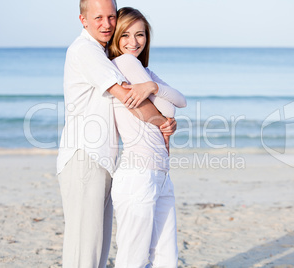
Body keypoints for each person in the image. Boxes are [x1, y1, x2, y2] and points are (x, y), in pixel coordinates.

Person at [56, 0, 176, 267]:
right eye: (98, 18)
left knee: (97, 247)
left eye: (111, 17)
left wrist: (163, 119)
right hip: (85, 157)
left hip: (104, 160)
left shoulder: (100, 53)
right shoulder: (85, 50)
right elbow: (129, 100)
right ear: (83, 19)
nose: (107, 24)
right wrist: (163, 122)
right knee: (83, 250)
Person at [108, 7, 187, 267]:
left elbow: (181, 101)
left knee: (165, 257)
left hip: (159, 173)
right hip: (139, 173)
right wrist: (164, 118)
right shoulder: (124, 63)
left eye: (140, 34)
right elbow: (167, 107)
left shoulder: (145, 71)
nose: (133, 42)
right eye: (125, 35)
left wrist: (152, 87)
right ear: (116, 38)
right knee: (134, 259)